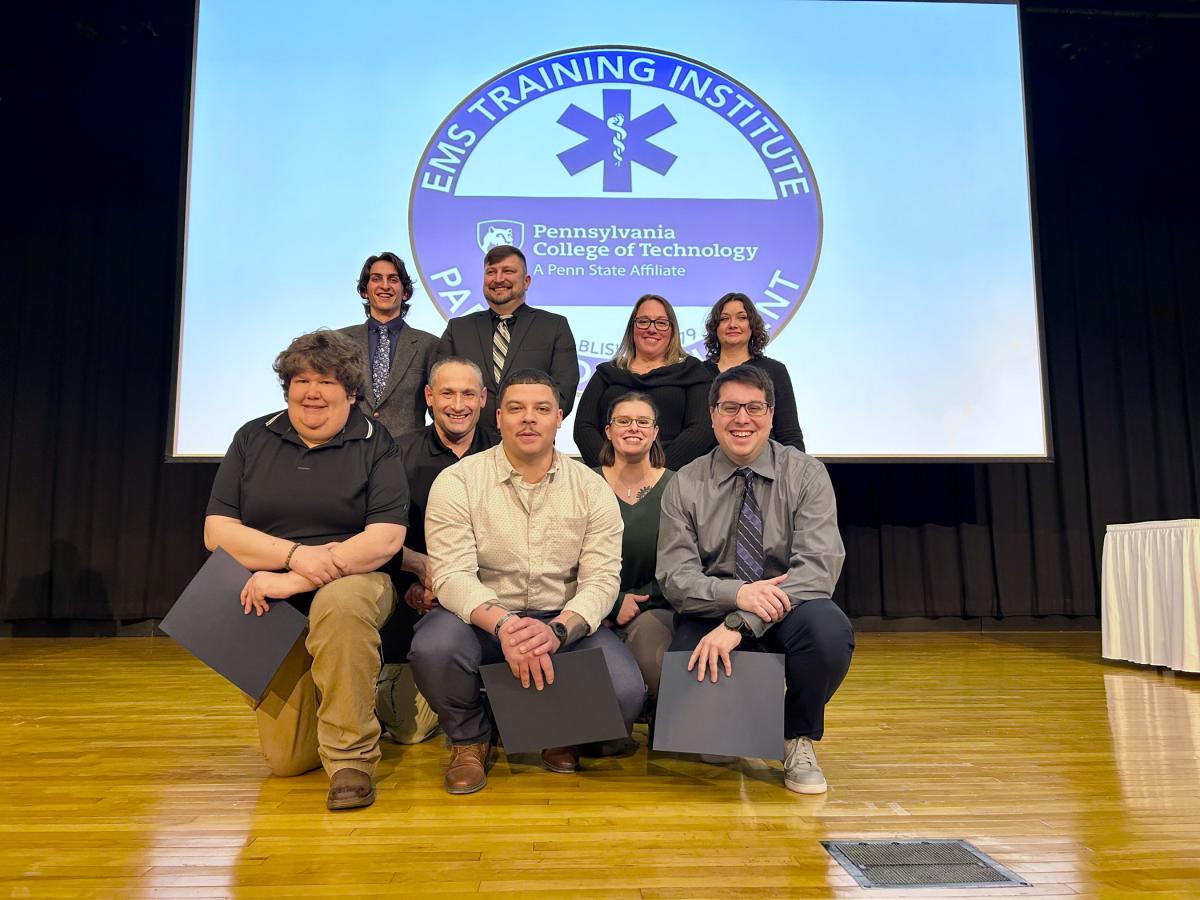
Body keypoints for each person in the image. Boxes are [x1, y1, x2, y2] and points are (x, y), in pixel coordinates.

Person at [409, 369, 645, 795]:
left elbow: (603, 581)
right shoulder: (458, 482)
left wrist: (556, 631)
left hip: (560, 621)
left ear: (559, 418)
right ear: (497, 417)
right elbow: (451, 575)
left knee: (626, 692)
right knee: (433, 647)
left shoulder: (592, 489)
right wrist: (506, 625)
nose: (528, 419)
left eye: (541, 409)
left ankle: (559, 732)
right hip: (481, 620)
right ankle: (470, 740)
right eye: (516, 409)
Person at [203, 329, 409, 810]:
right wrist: (294, 556)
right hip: (271, 590)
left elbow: (384, 540)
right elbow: (217, 532)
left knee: (338, 606)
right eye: (301, 380)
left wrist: (300, 575)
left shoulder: (377, 443)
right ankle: (352, 692)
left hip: (353, 578)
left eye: (326, 382)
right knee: (287, 761)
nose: (312, 392)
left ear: (350, 392)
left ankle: (351, 760)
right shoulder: (253, 436)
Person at [657, 364, 854, 794]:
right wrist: (737, 598)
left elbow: (818, 569)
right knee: (713, 748)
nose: (741, 419)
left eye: (754, 407)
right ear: (712, 415)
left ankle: (795, 734)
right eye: (730, 407)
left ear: (770, 413)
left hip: (786, 610)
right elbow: (675, 577)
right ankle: (739, 725)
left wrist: (743, 622)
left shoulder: (806, 474)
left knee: (828, 631)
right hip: (713, 607)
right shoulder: (685, 483)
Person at [376, 357, 497, 744]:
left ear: (482, 399)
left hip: (495, 596)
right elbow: (378, 534)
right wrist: (410, 577)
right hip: (414, 601)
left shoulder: (506, 450)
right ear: (429, 397)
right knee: (409, 732)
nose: (457, 404)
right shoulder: (395, 455)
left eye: (467, 394)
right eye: (447, 393)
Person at [436, 245, 579, 426]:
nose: (498, 279)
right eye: (491, 272)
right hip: (468, 445)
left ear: (526, 281)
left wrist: (528, 426)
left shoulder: (554, 326)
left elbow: (563, 392)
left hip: (530, 442)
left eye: (508, 271)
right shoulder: (458, 328)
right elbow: (439, 388)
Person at [593, 392, 675, 707]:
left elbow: (686, 561)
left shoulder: (677, 488)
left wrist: (637, 603)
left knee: (654, 662)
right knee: (603, 742)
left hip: (656, 607)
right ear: (608, 431)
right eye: (623, 421)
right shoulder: (583, 484)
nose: (633, 428)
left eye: (643, 422)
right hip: (590, 606)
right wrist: (612, 603)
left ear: (655, 432)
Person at [574, 294, 715, 469]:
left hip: (672, 478)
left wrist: (658, 473)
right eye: (643, 321)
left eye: (661, 323)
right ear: (632, 328)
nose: (652, 329)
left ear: (673, 330)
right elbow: (584, 427)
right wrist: (610, 470)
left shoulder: (692, 372)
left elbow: (701, 430)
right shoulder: (607, 373)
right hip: (609, 479)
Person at [337, 251, 440, 438]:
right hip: (348, 450)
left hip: (405, 456)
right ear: (364, 291)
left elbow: (439, 410)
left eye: (393, 279)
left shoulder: (429, 345)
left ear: (405, 292)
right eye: (376, 279)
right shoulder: (339, 341)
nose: (385, 286)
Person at [703, 292, 805, 451]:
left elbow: (790, 435)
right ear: (715, 327)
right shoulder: (697, 372)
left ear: (752, 325)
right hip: (708, 470)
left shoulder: (775, 371)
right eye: (724, 319)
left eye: (742, 318)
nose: (732, 324)